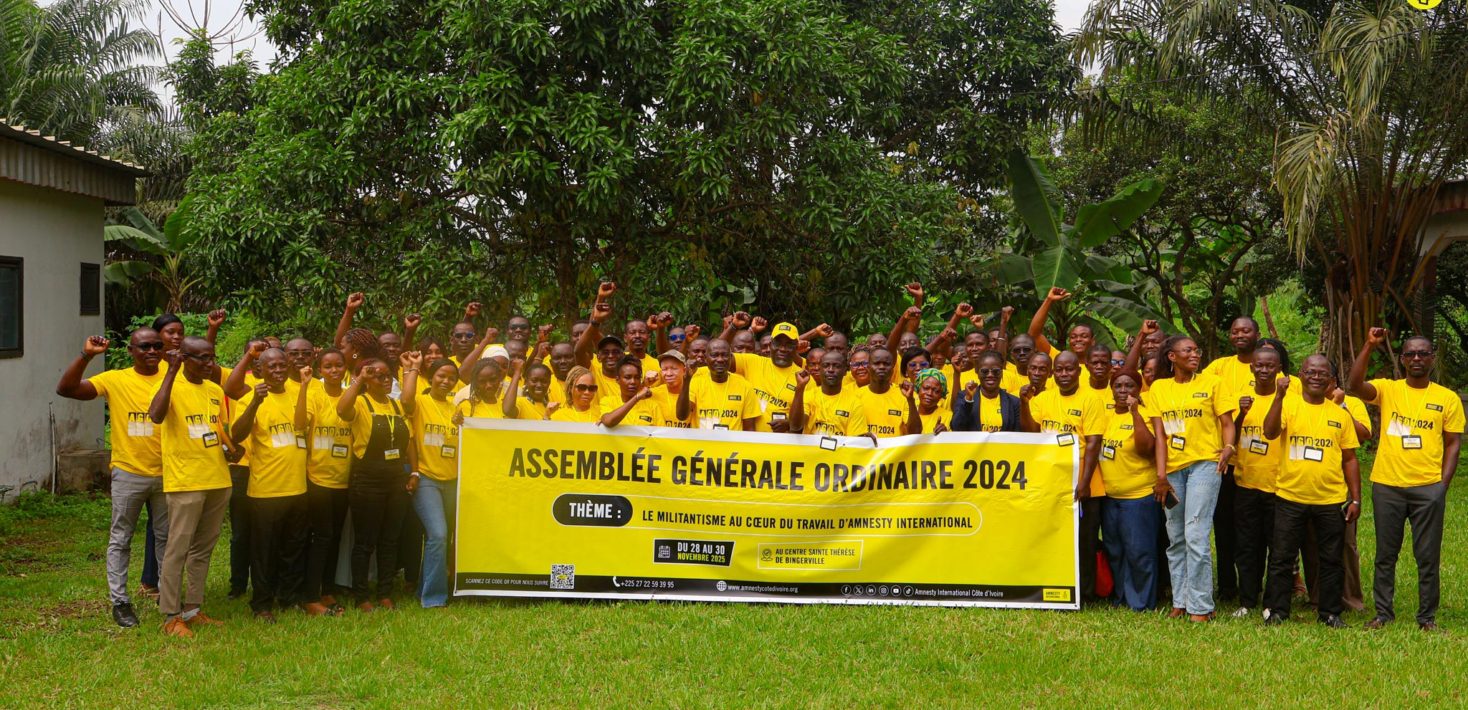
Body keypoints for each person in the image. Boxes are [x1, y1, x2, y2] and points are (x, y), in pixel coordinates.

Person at [1349, 329, 1464, 631]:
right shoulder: (1389, 389)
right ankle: (1383, 614)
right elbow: (1355, 385)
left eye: (1423, 354)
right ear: (1402, 359)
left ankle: (1427, 618)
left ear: (1432, 358)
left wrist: (1442, 485)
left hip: (1428, 488)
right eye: (1410, 354)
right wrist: (1369, 345)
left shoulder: (1447, 398)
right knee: (1385, 554)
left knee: (1427, 556)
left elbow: (1453, 443)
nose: (1416, 359)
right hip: (1388, 485)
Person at [55, 330, 168, 628]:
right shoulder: (116, 379)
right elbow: (66, 389)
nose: (152, 351)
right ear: (131, 350)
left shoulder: (173, 375)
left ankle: (168, 598)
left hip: (168, 472)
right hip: (129, 473)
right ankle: (120, 602)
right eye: (145, 346)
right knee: (121, 538)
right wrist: (87, 356)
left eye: (157, 345)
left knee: (166, 538)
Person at [1260, 358, 1361, 628]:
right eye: (1310, 372)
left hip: (1330, 499)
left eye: (1322, 373)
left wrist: (1355, 498)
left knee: (1331, 559)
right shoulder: (1288, 404)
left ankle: (1330, 613)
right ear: (1301, 375)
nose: (1316, 377)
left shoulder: (1340, 415)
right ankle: (1278, 611)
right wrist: (1278, 396)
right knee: (1281, 557)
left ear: (1331, 380)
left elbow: (1350, 459)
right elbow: (1269, 432)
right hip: (1290, 496)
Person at [147, 336, 236, 637]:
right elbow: (156, 415)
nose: (210, 363)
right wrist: (171, 372)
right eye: (202, 358)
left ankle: (193, 609)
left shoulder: (214, 390)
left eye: (212, 357)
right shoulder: (169, 386)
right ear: (184, 358)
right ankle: (171, 615)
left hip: (218, 478)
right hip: (186, 481)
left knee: (203, 548)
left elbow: (216, 429)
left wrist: (230, 448)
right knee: (177, 549)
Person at [1144, 335, 1237, 622]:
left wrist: (1229, 447)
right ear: (1172, 357)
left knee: (1196, 534)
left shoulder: (1212, 383)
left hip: (1205, 465)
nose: (1195, 354)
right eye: (1188, 351)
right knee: (1176, 536)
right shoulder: (1159, 388)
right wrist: (1161, 475)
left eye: (1197, 350)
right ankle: (1180, 601)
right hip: (1173, 470)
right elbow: (1160, 436)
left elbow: (1227, 423)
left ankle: (1201, 606)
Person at [230, 349, 310, 623]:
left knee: (294, 547)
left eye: (281, 366)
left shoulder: (298, 392)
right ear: (260, 369)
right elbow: (237, 435)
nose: (277, 371)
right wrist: (255, 402)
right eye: (271, 367)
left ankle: (289, 598)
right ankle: (262, 603)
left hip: (298, 486)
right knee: (264, 551)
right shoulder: (250, 396)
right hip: (266, 489)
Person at [1023, 350, 1104, 602]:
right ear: (1052, 373)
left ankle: (1085, 594)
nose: (1064, 374)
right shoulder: (1043, 399)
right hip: (1051, 479)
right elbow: (1031, 433)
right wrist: (1024, 403)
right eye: (1059, 370)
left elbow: (1094, 443)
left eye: (1069, 369)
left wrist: (1084, 483)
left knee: (1085, 539)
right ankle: (1055, 587)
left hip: (1084, 479)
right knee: (1053, 536)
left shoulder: (1091, 399)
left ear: (1079, 371)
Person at [337, 357, 411, 612]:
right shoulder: (360, 402)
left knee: (390, 539)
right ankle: (361, 596)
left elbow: (409, 441)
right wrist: (359, 379)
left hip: (396, 479)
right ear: (368, 380)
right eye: (379, 376)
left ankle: (385, 593)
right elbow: (341, 410)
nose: (386, 380)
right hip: (367, 480)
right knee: (365, 541)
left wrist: (414, 472)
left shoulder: (396, 405)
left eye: (388, 375)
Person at [1202, 317, 1262, 604]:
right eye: (1235, 331)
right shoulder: (1218, 368)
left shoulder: (1267, 366)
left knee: (1251, 531)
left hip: (1258, 463)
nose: (1240, 335)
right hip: (1224, 461)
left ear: (1257, 334)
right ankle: (1227, 586)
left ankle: (1254, 585)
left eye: (1246, 330)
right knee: (1223, 527)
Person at [1096, 370, 1161, 611]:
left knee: (1139, 551)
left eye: (1130, 386)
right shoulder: (1105, 415)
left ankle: (1141, 601)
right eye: (1118, 386)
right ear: (1111, 389)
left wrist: (1135, 413)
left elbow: (1146, 448)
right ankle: (1121, 596)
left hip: (1139, 496)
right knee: (1115, 550)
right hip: (1110, 497)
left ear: (1139, 389)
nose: (1123, 391)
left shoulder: (1145, 414)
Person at [1230, 344, 1285, 618]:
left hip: (1278, 486)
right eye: (1260, 365)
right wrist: (1241, 413)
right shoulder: (1240, 398)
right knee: (1247, 547)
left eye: (1270, 366)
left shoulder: (1287, 400)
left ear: (1279, 369)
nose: (1264, 370)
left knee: (1277, 549)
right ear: (1252, 368)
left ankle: (1271, 603)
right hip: (1246, 484)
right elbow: (1229, 437)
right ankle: (1247, 601)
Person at [401, 354, 460, 608]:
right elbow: (405, 401)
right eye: (441, 376)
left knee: (441, 538)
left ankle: (424, 590)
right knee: (437, 534)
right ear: (431, 377)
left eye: (452, 378)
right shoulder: (420, 402)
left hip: (452, 480)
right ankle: (434, 598)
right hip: (426, 478)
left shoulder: (455, 409)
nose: (446, 381)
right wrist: (414, 368)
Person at [300, 349, 351, 615]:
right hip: (317, 478)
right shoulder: (313, 394)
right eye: (328, 366)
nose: (334, 370)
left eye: (338, 365)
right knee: (322, 537)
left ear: (345, 367)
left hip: (344, 478)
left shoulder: (351, 396)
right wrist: (304, 386)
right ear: (320, 370)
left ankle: (327, 591)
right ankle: (310, 597)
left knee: (335, 537)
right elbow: (300, 423)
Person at [726, 322, 805, 432]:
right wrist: (733, 326)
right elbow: (718, 355)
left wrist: (788, 423)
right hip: (748, 439)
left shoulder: (803, 377)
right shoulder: (752, 362)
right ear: (771, 344)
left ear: (796, 347)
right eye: (778, 343)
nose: (782, 349)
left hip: (783, 441)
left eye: (789, 345)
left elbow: (802, 422)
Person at [677, 339, 762, 431]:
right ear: (706, 358)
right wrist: (686, 381)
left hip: (732, 440)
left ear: (730, 357)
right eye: (714, 355)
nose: (720, 359)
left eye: (724, 355)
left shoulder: (745, 385)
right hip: (702, 440)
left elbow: (749, 429)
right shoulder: (695, 382)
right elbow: (681, 416)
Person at [789, 350, 868, 437]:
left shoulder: (855, 402)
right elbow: (795, 426)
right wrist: (800, 387)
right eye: (826, 366)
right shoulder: (808, 396)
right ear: (820, 369)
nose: (830, 370)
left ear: (845, 371)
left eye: (836, 366)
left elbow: (853, 441)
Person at [950, 351, 1022, 433]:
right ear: (977, 372)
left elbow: (1017, 434)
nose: (990, 375)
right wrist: (968, 400)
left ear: (1002, 372)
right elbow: (956, 427)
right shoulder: (964, 396)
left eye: (996, 371)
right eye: (984, 371)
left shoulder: (1014, 402)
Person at [859, 348, 920, 438]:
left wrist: (910, 400)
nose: (882, 367)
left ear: (892, 368)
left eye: (886, 364)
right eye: (877, 363)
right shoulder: (855, 396)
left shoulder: (904, 396)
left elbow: (915, 432)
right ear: (868, 367)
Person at [1028, 287, 1096, 358]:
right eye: (1073, 337)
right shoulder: (1060, 360)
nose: (1078, 339)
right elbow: (1034, 335)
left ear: (1093, 341)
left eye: (1084, 336)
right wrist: (1049, 300)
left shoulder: (1100, 363)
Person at [600, 357, 661, 427]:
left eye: (637, 377)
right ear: (617, 380)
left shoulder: (652, 406)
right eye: (627, 377)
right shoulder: (608, 401)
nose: (633, 382)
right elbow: (608, 421)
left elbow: (662, 432)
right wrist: (636, 398)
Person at [649, 351, 695, 428]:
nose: (669, 373)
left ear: (684, 371)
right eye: (664, 369)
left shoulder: (694, 391)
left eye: (674, 369)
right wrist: (645, 384)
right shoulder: (653, 393)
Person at [912, 369, 949, 434]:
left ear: (941, 395)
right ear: (918, 389)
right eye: (926, 388)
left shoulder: (948, 417)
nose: (929, 393)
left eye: (936, 391)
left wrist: (945, 435)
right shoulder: (908, 413)